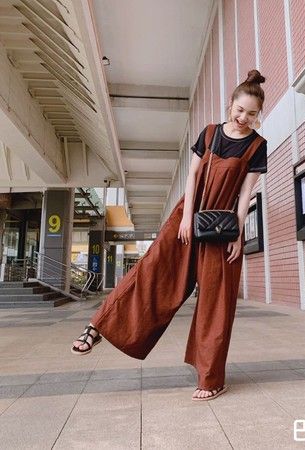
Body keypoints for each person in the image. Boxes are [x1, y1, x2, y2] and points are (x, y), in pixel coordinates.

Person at [71, 69, 268, 401]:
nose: (243, 118)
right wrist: (186, 218)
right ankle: (99, 326)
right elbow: (192, 176)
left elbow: (246, 194)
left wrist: (238, 235)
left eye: (251, 113)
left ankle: (210, 379)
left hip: (222, 230)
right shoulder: (209, 133)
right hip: (187, 219)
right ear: (230, 104)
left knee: (216, 303)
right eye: (239, 110)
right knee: (152, 272)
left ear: (258, 114)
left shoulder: (257, 146)